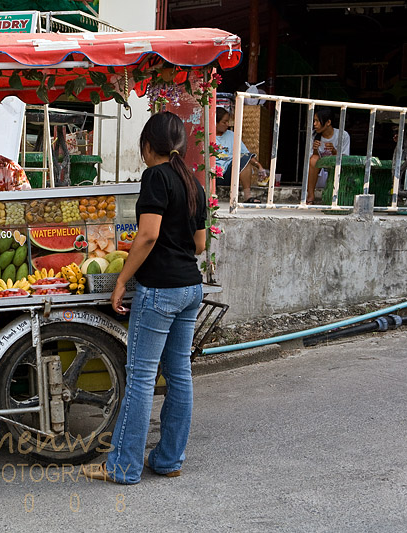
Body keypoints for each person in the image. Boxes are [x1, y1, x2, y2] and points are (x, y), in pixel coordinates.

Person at [82, 111, 206, 484]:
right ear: (180, 146)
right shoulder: (194, 183)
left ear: (147, 146)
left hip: (161, 291)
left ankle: (123, 467)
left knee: (140, 378)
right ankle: (169, 460)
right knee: (179, 375)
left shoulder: (156, 176)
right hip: (190, 288)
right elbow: (200, 244)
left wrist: (122, 279)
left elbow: (148, 235)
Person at [215, 107, 265, 203]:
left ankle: (247, 196)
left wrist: (259, 167)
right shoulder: (206, 136)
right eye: (224, 122)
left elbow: (245, 155)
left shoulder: (231, 135)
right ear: (215, 123)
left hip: (228, 174)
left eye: (228, 122)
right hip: (212, 174)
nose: (227, 125)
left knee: (245, 160)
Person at [306, 107, 350, 204]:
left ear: (328, 122)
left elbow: (346, 159)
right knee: (314, 159)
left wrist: (334, 152)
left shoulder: (343, 135)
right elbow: (311, 160)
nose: (314, 124)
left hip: (337, 174)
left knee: (338, 160)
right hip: (319, 176)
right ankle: (310, 196)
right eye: (314, 121)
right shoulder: (313, 135)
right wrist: (315, 150)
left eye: (317, 121)